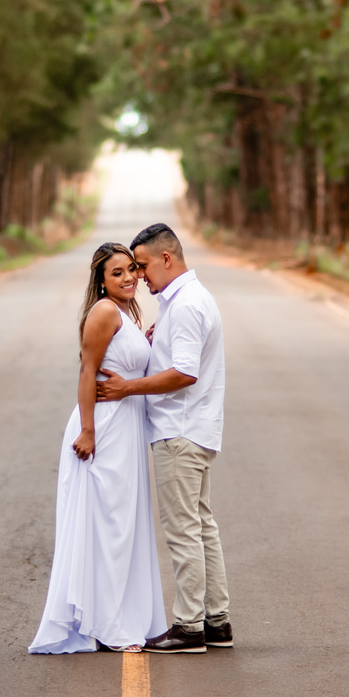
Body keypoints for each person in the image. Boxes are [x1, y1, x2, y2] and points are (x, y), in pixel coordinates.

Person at [96, 223, 230, 654]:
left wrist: (126, 388)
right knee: (203, 527)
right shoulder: (188, 300)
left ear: (166, 259)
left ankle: (189, 626)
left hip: (180, 432)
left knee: (184, 531)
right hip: (197, 429)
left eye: (143, 265)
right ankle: (217, 620)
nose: (138, 276)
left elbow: (185, 373)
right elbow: (180, 358)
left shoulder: (187, 304)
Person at [28, 243, 167, 654]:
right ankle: (106, 622)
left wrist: (146, 341)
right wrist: (88, 431)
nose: (128, 278)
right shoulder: (105, 311)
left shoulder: (125, 313)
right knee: (108, 525)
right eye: (117, 273)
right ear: (101, 281)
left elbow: (123, 360)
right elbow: (88, 371)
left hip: (126, 429)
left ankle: (119, 615)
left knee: (122, 524)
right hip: (105, 429)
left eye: (131, 270)